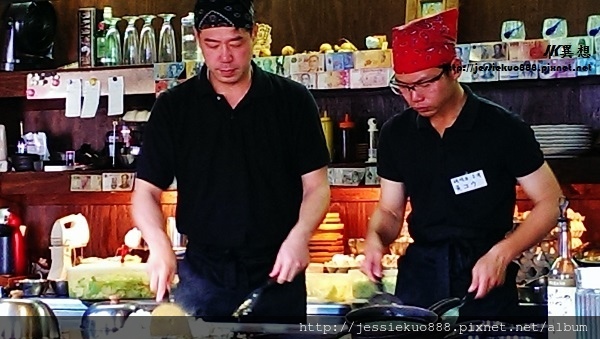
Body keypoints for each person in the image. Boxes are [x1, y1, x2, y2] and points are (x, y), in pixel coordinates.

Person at [131, 0, 331, 324]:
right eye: (212, 44)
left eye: (236, 42)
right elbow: (145, 193)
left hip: (277, 270)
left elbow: (317, 187)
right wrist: (158, 244)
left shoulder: (292, 101)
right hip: (202, 275)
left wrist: (300, 236)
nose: (225, 57)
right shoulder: (174, 108)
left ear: (254, 34)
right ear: (197, 39)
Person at [361, 8, 562, 322]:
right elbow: (389, 210)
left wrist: (502, 253)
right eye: (403, 86)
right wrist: (375, 238)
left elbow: (550, 202)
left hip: (486, 277)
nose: (414, 97)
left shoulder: (502, 128)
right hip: (420, 280)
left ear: (455, 69)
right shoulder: (396, 134)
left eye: (425, 83)